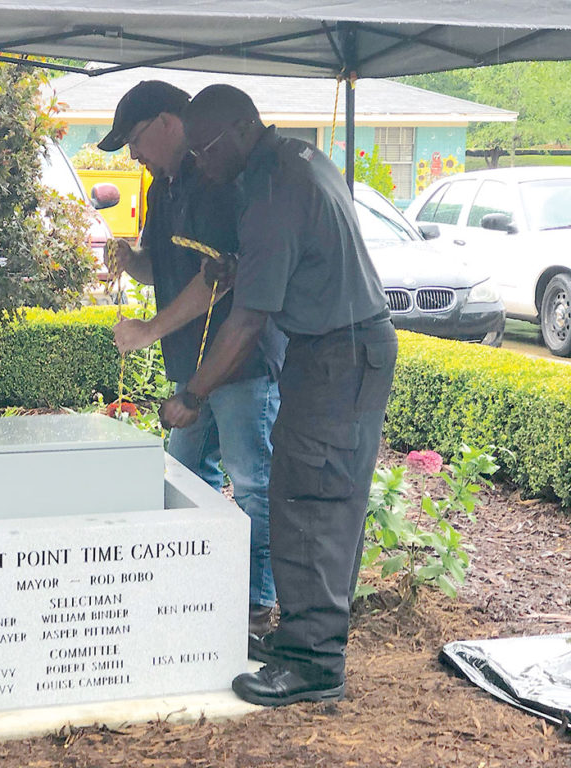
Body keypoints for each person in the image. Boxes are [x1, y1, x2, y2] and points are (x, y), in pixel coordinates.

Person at [161, 84, 397, 707]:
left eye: (205, 150)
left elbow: (246, 322)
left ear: (240, 129)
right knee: (315, 494)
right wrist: (245, 268)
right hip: (343, 351)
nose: (201, 164)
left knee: (310, 501)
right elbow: (301, 256)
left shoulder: (268, 191)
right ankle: (303, 639)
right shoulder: (297, 158)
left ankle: (314, 663)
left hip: (333, 358)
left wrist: (193, 394)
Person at [98, 81, 286, 646]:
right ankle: (197, 590)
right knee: (185, 477)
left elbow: (218, 281)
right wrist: (133, 259)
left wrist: (149, 330)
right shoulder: (163, 187)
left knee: (252, 483)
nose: (132, 155)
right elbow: (167, 269)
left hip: (239, 366)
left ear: (166, 122)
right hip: (192, 370)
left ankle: (255, 605)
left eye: (133, 139)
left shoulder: (221, 182)